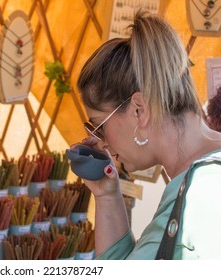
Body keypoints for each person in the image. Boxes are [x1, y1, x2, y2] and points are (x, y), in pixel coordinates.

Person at [73, 10, 221, 259]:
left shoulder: (202, 192)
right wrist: (107, 196)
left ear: (139, 110)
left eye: (99, 125)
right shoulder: (198, 179)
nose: (102, 142)